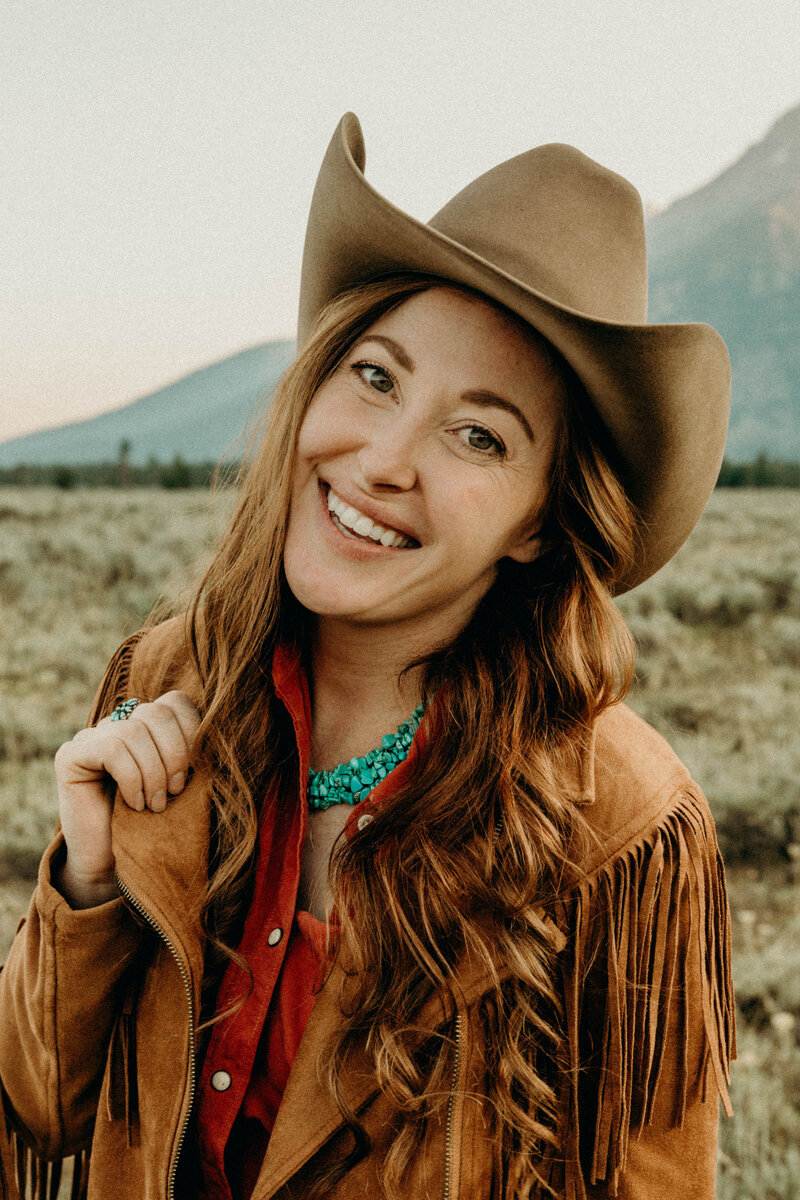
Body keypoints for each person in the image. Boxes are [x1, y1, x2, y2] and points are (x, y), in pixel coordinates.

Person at [0, 113, 735, 1200]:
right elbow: (35, 1104)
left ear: (537, 520)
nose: (382, 459)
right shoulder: (170, 688)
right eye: (377, 376)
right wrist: (90, 879)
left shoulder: (621, 829)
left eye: (478, 435)